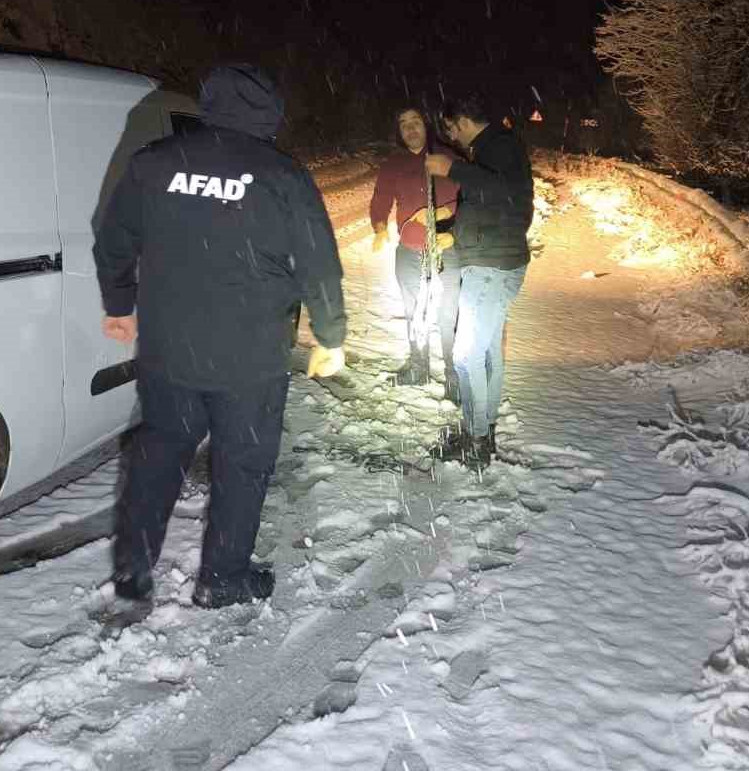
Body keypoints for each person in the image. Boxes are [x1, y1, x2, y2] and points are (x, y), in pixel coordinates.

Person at [94, 64, 347, 609]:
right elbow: (319, 266)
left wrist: (118, 304)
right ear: (271, 116)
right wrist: (330, 335)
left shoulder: (155, 163)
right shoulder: (283, 177)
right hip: (250, 361)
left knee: (159, 454)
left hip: (171, 352)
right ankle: (222, 578)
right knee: (243, 466)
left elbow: (112, 239)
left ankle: (133, 571)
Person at [425, 95, 533, 465]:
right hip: (496, 262)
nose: (452, 137)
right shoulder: (497, 148)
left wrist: (452, 169)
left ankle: (477, 439)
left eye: (451, 129)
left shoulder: (496, 147)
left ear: (463, 121)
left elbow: (504, 193)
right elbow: (500, 204)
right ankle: (482, 433)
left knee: (467, 354)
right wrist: (455, 232)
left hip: (490, 269)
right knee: (485, 351)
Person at [367, 106, 462, 399]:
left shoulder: (449, 158)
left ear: (427, 124)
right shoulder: (393, 164)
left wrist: (445, 214)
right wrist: (380, 226)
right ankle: (418, 367)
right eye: (403, 123)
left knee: (449, 314)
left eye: (415, 121)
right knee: (414, 313)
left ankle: (454, 376)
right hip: (408, 251)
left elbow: (471, 197)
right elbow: (380, 200)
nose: (410, 129)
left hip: (446, 250)